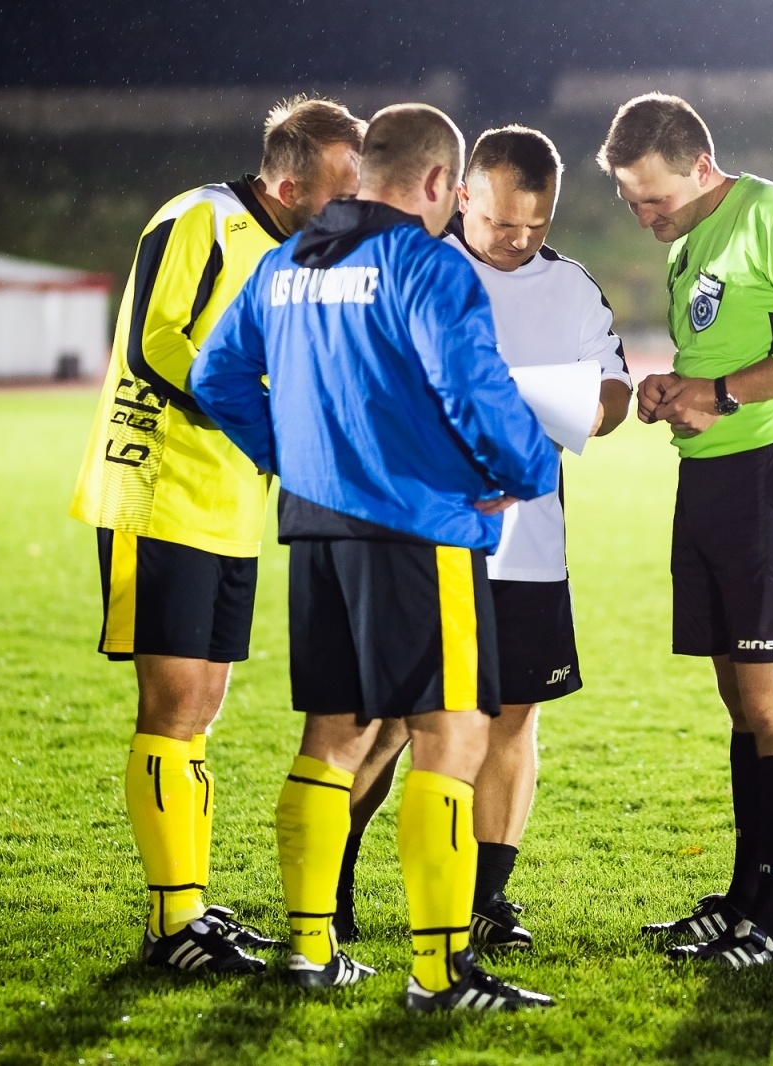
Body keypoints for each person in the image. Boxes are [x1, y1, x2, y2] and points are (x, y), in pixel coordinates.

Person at [189, 103, 560, 1011]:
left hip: (319, 528)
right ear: (438, 183)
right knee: (453, 733)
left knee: (332, 737)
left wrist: (293, 456)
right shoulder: (427, 266)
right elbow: (472, 390)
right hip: (420, 530)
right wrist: (528, 470)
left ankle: (310, 951)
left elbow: (214, 377)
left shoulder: (288, 262)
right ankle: (439, 974)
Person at [68, 97, 365, 975]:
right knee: (172, 703)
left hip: (230, 499)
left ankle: (186, 906)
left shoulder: (298, 253)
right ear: (288, 185)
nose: (352, 206)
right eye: (341, 189)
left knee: (202, 705)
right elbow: (157, 342)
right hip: (158, 488)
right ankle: (172, 926)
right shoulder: (203, 219)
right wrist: (272, 416)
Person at [332, 124, 632, 952]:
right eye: (501, 221)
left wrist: (567, 410)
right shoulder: (413, 269)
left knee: (513, 716)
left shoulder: (570, 285)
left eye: (536, 224)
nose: (517, 238)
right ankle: (332, 878)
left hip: (530, 550)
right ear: (462, 195)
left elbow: (613, 393)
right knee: (395, 721)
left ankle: (485, 898)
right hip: (422, 543)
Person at [597, 93, 773, 968]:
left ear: (702, 168)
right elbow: (723, 353)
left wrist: (716, 393)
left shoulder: (770, 214)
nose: (646, 218)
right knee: (740, 700)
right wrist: (675, 389)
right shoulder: (691, 242)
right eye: (631, 202)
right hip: (711, 480)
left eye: (656, 199)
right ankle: (745, 900)